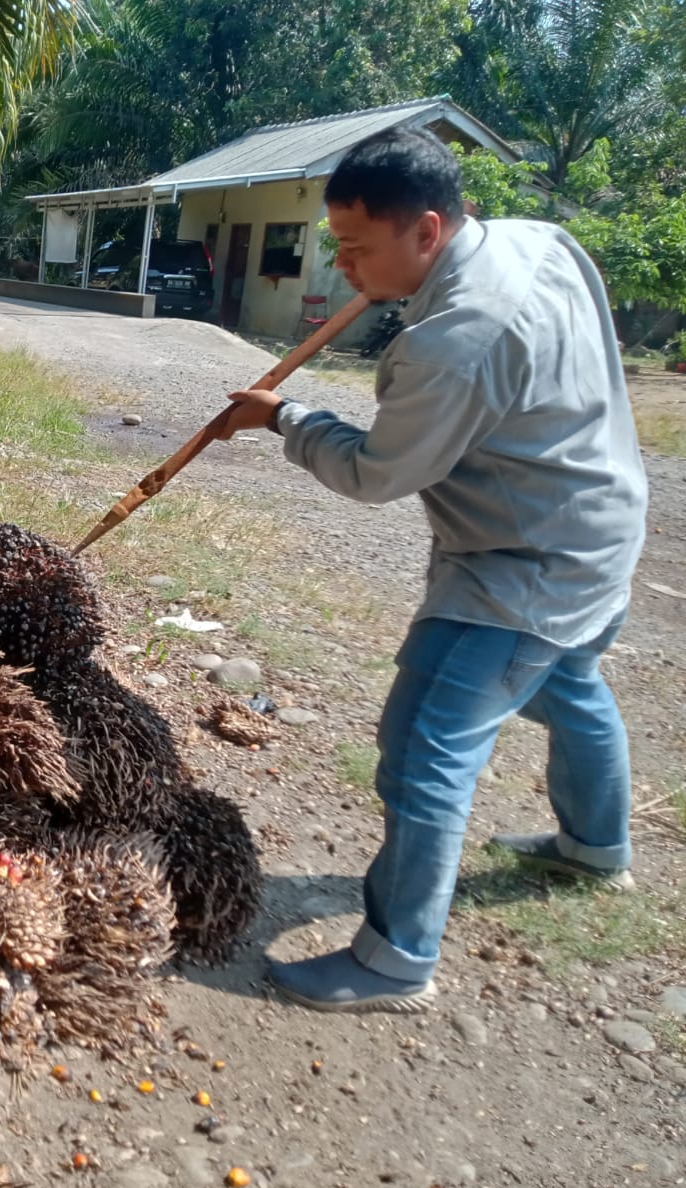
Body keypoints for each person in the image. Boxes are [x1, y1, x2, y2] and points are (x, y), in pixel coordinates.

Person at [217, 126, 648, 1013]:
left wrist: (286, 418)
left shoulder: (455, 338)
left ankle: (395, 960)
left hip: (524, 565)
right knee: (568, 683)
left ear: (428, 232)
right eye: (336, 247)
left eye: (355, 249)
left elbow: (379, 473)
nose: (343, 272)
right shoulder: (536, 239)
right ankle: (596, 850)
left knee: (423, 748)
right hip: (603, 521)